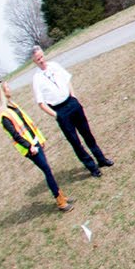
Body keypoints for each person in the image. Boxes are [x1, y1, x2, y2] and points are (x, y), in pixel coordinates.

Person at [30, 46, 112, 178]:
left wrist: (73, 97)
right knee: (75, 142)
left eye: (41, 57)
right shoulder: (37, 79)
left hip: (72, 103)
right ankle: (92, 167)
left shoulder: (54, 66)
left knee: (87, 134)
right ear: (34, 61)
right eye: (37, 59)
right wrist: (56, 115)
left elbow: (67, 80)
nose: (41, 60)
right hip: (60, 110)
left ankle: (101, 159)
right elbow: (41, 103)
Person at [0, 82, 67, 211]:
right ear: (3, 92)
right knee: (47, 170)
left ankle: (61, 196)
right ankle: (60, 201)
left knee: (48, 170)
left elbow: (26, 124)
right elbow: (15, 135)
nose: (10, 88)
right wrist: (30, 146)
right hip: (30, 148)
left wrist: (38, 139)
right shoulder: (4, 114)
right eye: (7, 87)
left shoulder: (12, 105)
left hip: (35, 142)